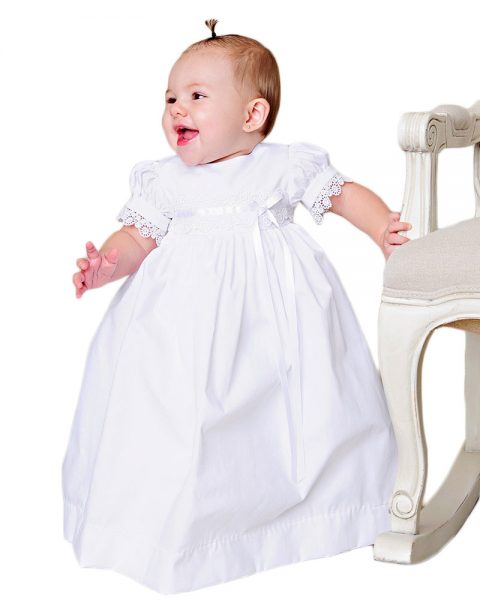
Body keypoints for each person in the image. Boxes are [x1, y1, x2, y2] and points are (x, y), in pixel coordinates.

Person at [62, 18, 412, 595]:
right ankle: (184, 530)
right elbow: (138, 238)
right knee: (180, 423)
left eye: (197, 96)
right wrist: (107, 265)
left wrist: (381, 230)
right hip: (181, 332)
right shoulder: (163, 182)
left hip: (281, 323)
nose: (178, 109)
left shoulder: (281, 165)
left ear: (253, 115)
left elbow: (344, 195)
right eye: (171, 98)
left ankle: (318, 514)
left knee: (299, 414)